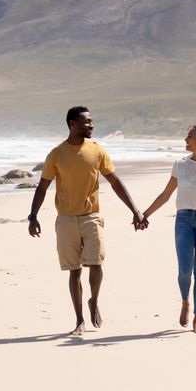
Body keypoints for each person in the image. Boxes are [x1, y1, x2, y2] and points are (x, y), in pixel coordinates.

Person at [27, 106, 147, 336]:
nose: (92, 125)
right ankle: (79, 320)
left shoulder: (97, 151)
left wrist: (135, 210)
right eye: (87, 122)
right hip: (66, 220)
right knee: (74, 271)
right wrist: (33, 216)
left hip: (92, 216)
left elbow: (115, 181)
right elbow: (42, 187)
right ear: (73, 123)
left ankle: (94, 300)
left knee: (96, 265)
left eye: (92, 121)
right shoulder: (56, 154)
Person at [140, 124, 196, 333]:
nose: (185, 140)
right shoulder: (180, 165)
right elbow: (165, 196)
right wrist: (144, 215)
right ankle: (185, 302)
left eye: (189, 136)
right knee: (184, 271)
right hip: (183, 221)